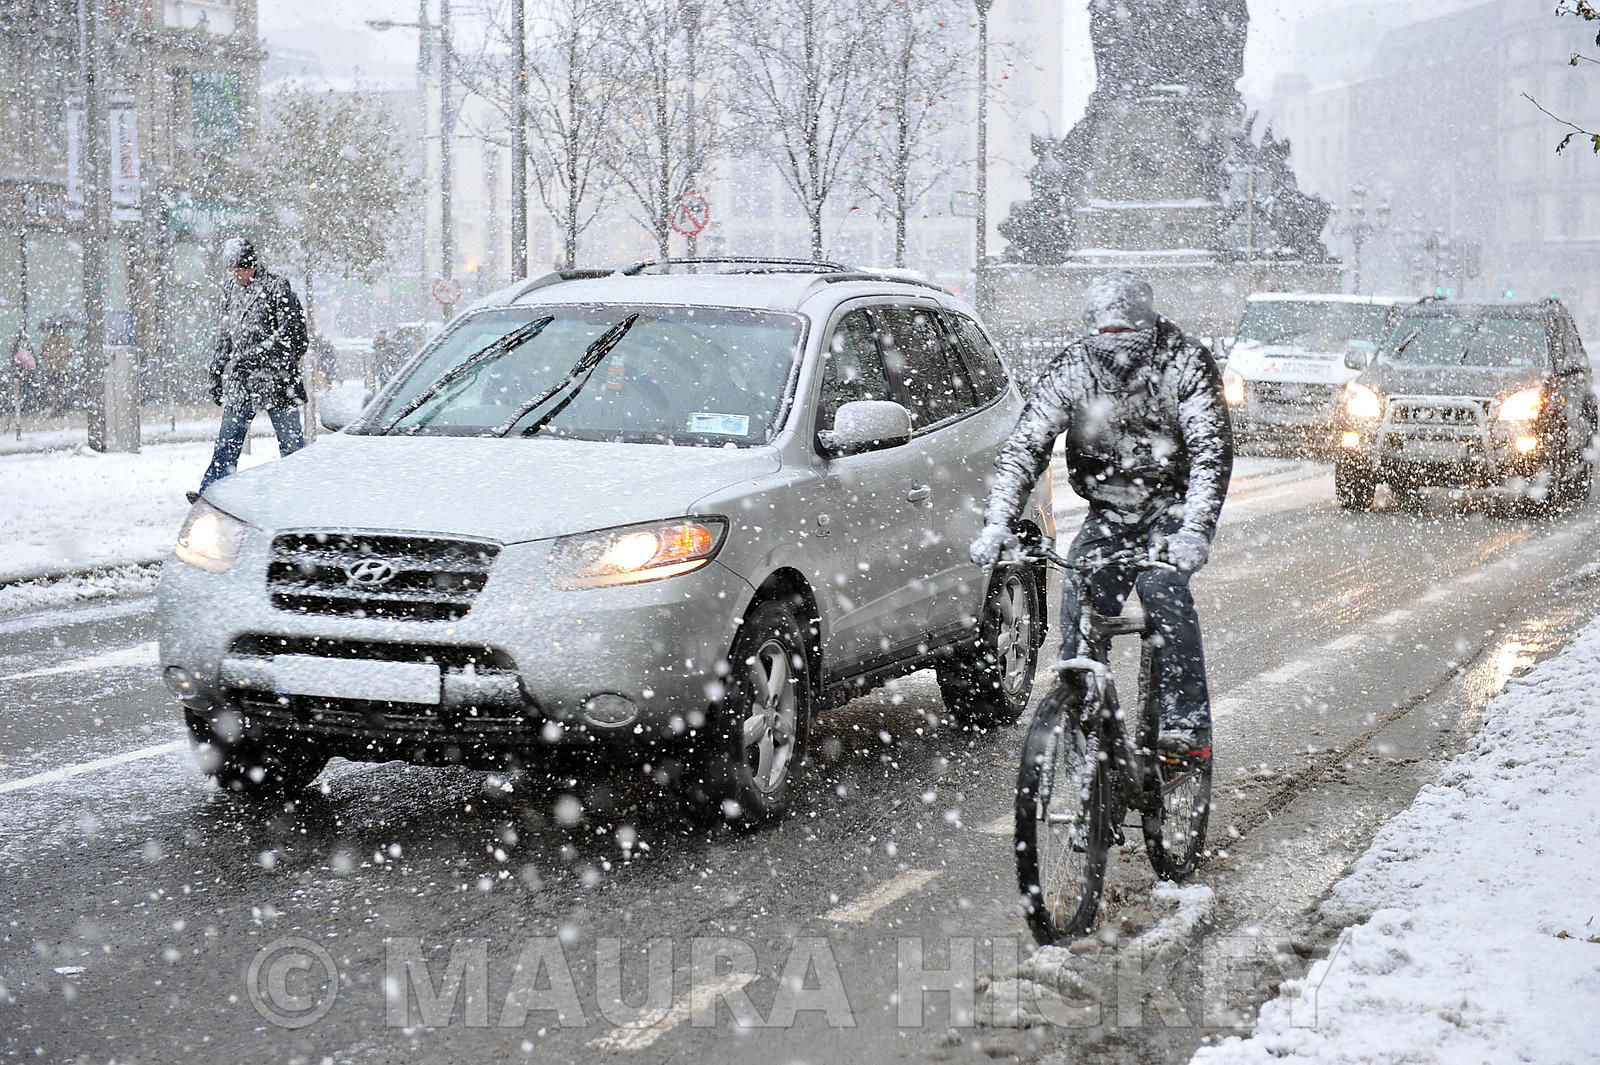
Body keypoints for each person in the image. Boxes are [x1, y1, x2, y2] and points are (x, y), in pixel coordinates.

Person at [969, 272, 1233, 759]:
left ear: (1147, 324)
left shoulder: (1184, 361)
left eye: (1125, 332)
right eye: (1104, 334)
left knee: (1162, 591)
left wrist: (1195, 529)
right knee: (1081, 606)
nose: (1115, 346)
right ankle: (1089, 742)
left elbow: (1210, 452)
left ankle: (1186, 724)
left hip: (1168, 508)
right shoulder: (1074, 367)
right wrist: (999, 521)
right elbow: (1025, 446)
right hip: (1108, 511)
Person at [192, 236, 310, 501]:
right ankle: (212, 492)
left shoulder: (277, 287)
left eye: (241, 269)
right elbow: (225, 335)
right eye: (232, 270)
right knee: (227, 441)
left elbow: (292, 334)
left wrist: (258, 356)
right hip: (242, 380)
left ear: (253, 265)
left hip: (277, 381)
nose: (237, 275)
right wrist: (216, 370)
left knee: (291, 444)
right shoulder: (230, 291)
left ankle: (302, 493)